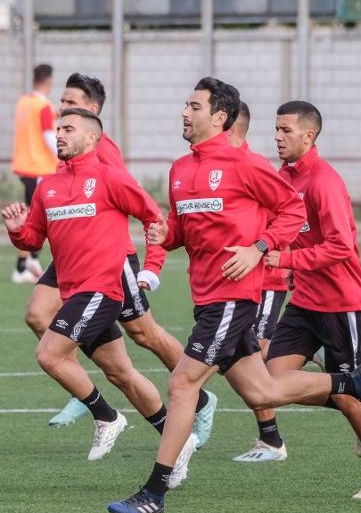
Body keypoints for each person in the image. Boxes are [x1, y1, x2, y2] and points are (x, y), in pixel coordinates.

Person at [107, 78, 361, 513]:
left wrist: (258, 249)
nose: (184, 112)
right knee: (264, 391)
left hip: (234, 299)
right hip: (206, 296)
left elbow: (291, 211)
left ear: (219, 117)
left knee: (182, 384)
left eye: (193, 106)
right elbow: (184, 229)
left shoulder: (247, 165)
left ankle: (154, 492)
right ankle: (352, 383)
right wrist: (167, 234)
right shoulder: (179, 169)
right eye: (185, 104)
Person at [28, 72, 218, 446]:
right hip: (72, 251)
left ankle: (196, 395)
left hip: (110, 259)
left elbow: (136, 206)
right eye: (61, 104)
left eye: (70, 105)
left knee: (143, 333)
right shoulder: (64, 156)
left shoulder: (102, 152)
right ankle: (81, 389)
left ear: (92, 114)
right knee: (38, 315)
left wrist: (150, 265)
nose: (61, 110)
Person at [2, 108, 175, 466]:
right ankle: (177, 437)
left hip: (102, 289)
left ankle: (106, 416)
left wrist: (153, 266)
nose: (60, 135)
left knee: (49, 354)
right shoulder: (48, 186)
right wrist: (19, 229)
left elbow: (154, 218)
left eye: (69, 128)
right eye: (58, 129)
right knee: (121, 373)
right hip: (74, 292)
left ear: (93, 138)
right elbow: (34, 237)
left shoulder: (110, 177)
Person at [259, 100, 361, 499]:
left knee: (344, 392)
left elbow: (340, 246)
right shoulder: (282, 178)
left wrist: (286, 259)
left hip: (342, 302)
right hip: (304, 302)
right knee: (270, 382)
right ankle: (358, 393)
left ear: (309, 135)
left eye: (286, 130)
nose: (278, 137)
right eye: (277, 129)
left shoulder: (324, 181)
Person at [221, 101, 294, 459]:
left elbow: (290, 213)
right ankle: (271, 439)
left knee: (258, 355)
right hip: (233, 285)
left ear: (230, 126)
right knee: (244, 358)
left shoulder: (254, 167)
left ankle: (334, 372)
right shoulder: (219, 168)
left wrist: (266, 251)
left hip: (265, 280)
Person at [9, 63, 57, 283]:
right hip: (40, 166)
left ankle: (28, 263)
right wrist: (62, 157)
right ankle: (25, 265)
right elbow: (48, 137)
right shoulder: (43, 106)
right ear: (49, 81)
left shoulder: (23, 102)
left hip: (24, 164)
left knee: (33, 214)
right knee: (38, 217)